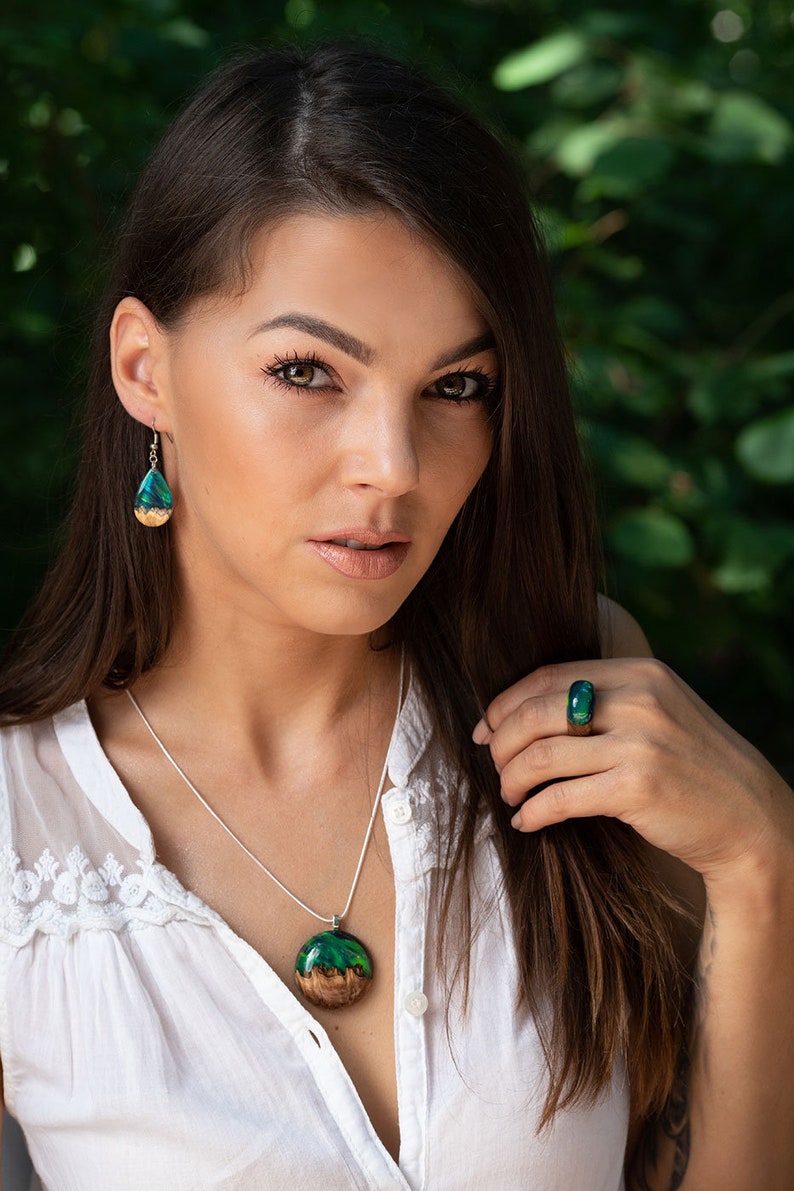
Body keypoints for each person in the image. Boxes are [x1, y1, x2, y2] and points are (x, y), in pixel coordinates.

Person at [0, 42, 791, 1191]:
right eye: (308, 373)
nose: (392, 466)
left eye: (455, 388)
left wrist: (761, 866)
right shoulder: (22, 830)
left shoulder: (577, 707)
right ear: (144, 370)